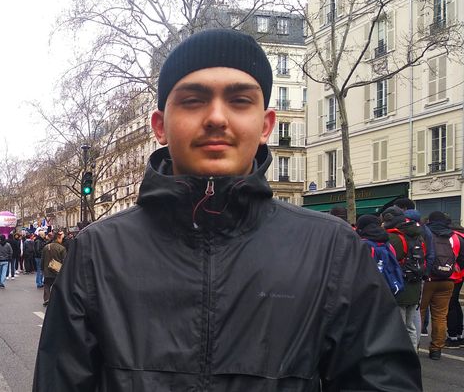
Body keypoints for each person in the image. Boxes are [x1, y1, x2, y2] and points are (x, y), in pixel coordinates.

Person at [33, 28, 421, 391]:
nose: (217, 117)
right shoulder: (96, 253)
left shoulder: (333, 251)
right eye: (193, 100)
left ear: (266, 124)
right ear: (160, 126)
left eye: (239, 100)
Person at [381, 206, 425, 351]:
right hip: (415, 285)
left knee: (398, 327)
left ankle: (401, 359)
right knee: (410, 325)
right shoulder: (417, 235)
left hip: (399, 287)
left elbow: (388, 263)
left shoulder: (394, 238)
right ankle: (413, 354)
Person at [422, 211, 463, 360]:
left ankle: (415, 344)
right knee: (440, 316)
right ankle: (436, 349)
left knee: (419, 312)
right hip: (448, 280)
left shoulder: (425, 233)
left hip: (428, 279)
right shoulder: (454, 236)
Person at [41, 231, 66, 307]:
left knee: (47, 285)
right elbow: (65, 260)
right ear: (58, 238)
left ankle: (47, 299)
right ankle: (57, 300)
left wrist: (42, 268)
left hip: (47, 270)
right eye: (61, 238)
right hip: (58, 271)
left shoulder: (46, 247)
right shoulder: (62, 248)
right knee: (58, 286)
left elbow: (43, 259)